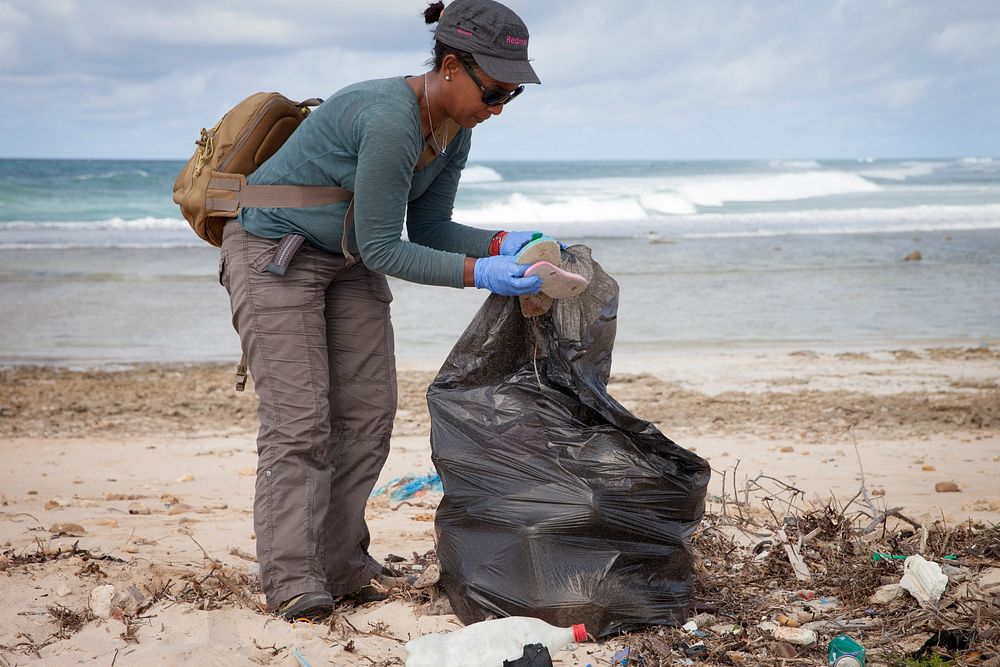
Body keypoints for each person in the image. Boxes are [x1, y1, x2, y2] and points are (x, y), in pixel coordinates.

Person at [218, 0, 562, 620]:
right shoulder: (388, 115)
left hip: (345, 258)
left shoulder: (455, 129)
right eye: (494, 92)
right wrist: (479, 275)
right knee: (301, 422)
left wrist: (498, 244)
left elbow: (427, 226)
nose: (499, 109)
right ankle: (294, 579)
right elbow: (384, 245)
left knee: (369, 413)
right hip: (274, 253)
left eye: (513, 96)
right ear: (452, 66)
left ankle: (342, 565)